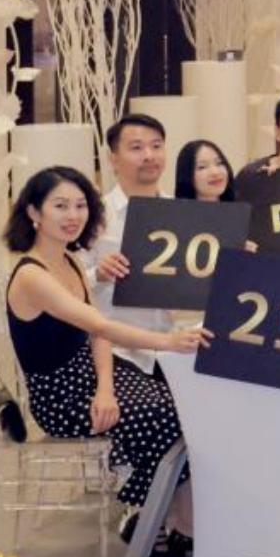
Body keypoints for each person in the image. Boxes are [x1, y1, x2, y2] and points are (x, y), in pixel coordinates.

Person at [4, 167, 209, 557]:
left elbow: (97, 334)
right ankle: (152, 518)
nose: (73, 215)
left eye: (80, 205)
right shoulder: (32, 275)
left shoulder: (68, 260)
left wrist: (105, 387)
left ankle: (171, 518)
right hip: (61, 397)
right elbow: (101, 325)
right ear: (33, 213)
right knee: (162, 415)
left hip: (91, 376)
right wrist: (167, 342)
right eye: (60, 206)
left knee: (182, 403)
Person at [87, 114, 170, 378]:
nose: (149, 155)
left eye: (156, 146)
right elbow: (67, 285)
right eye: (136, 148)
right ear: (113, 159)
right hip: (116, 354)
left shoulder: (182, 212)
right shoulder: (94, 216)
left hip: (173, 349)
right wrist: (98, 273)